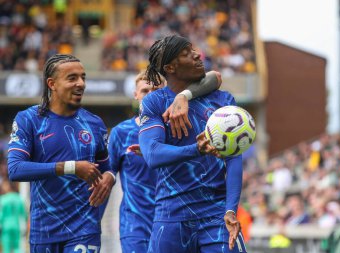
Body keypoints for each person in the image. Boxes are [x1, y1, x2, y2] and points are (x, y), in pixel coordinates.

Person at [139, 34, 247, 252]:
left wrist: (230, 210)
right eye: (186, 54)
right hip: (171, 216)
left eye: (193, 49)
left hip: (215, 215)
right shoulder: (155, 102)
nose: (198, 55)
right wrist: (197, 149)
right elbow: (152, 154)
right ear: (170, 67)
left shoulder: (223, 100)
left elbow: (235, 158)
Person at [7, 54, 115, 253]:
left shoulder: (94, 123)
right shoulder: (29, 119)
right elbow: (15, 169)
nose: (81, 83)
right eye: (72, 78)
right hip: (44, 230)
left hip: (85, 227)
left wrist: (110, 177)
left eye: (83, 77)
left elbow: (107, 167)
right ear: (52, 83)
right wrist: (72, 167)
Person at [108, 70, 221, 253]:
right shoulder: (121, 132)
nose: (150, 95)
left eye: (156, 90)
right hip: (136, 226)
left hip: (175, 221)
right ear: (135, 95)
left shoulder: (181, 129)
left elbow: (214, 76)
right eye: (145, 91)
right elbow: (108, 176)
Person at [0, 180, 28, 253]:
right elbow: (24, 214)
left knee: (6, 249)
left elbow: (1, 215)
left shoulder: (3, 199)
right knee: (17, 248)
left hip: (5, 227)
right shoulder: (19, 198)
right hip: (16, 226)